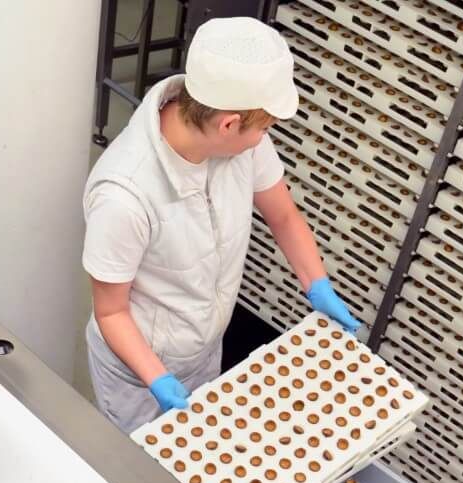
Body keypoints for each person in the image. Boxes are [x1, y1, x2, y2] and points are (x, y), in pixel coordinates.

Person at [82, 17, 362, 432]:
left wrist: (316, 283)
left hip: (203, 347)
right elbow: (111, 312)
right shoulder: (124, 196)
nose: (265, 137)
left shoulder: (241, 141)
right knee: (141, 477)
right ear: (228, 124)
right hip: (137, 371)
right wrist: (158, 379)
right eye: (264, 127)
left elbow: (282, 215)